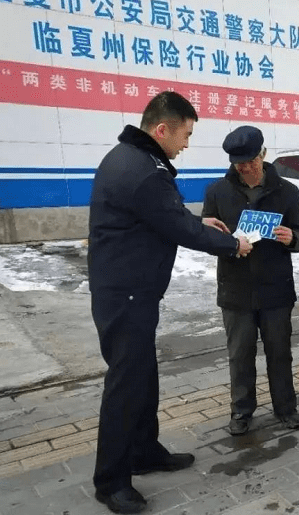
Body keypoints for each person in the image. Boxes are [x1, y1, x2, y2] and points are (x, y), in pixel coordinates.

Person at [88, 91, 252, 514]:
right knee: (126, 383)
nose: (186, 144)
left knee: (143, 375)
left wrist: (198, 221)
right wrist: (232, 243)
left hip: (132, 291)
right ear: (162, 129)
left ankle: (144, 451)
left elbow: (165, 216)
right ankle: (111, 482)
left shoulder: (138, 160)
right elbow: (178, 228)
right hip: (125, 294)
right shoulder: (140, 169)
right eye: (185, 135)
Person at [202, 126, 299, 436]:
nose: (245, 167)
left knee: (279, 352)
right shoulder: (217, 192)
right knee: (239, 355)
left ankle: (286, 408)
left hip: (275, 288)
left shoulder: (287, 191)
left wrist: (292, 238)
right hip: (235, 289)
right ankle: (241, 412)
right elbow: (209, 237)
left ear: (262, 154)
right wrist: (221, 239)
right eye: (239, 163)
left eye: (250, 161)